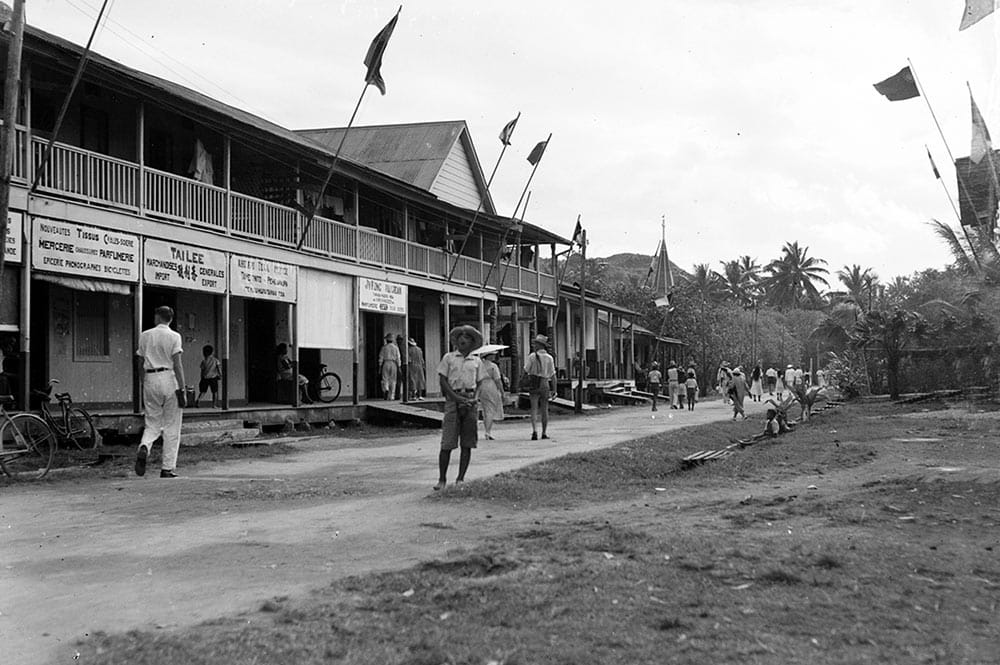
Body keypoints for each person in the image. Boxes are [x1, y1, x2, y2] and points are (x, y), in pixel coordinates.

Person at [134, 306, 186, 479]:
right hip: (169, 378)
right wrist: (182, 388)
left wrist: (144, 382)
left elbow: (140, 361)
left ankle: (145, 446)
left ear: (157, 317)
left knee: (152, 421)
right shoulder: (175, 336)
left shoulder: (145, 335)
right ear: (170, 319)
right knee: (172, 425)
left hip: (150, 378)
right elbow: (177, 364)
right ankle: (167, 468)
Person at [435, 325, 488, 490]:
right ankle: (442, 479)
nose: (462, 340)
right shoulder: (449, 358)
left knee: (468, 441)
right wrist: (455, 397)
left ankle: (460, 478)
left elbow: (480, 383)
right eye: (460, 337)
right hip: (453, 399)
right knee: (448, 441)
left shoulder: (476, 361)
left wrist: (475, 399)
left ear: (472, 342)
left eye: (466, 338)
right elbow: (443, 380)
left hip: (470, 400)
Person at [524, 334, 557, 440]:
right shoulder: (549, 358)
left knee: (533, 408)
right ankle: (544, 432)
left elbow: (526, 370)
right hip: (545, 383)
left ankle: (534, 431)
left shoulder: (532, 357)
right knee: (544, 409)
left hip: (534, 383)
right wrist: (554, 390)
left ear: (538, 345)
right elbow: (553, 375)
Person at [478, 351, 505, 439]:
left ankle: (487, 430)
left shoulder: (479, 365)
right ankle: (488, 432)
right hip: (491, 385)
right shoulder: (493, 366)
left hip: (481, 386)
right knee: (490, 409)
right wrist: (502, 391)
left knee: (486, 408)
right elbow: (497, 380)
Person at [378, 334, 400, 400]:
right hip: (393, 363)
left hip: (386, 363)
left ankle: (386, 389)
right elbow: (398, 358)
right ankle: (391, 396)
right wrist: (399, 366)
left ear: (387, 340)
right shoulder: (396, 348)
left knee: (385, 378)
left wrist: (380, 366)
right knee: (393, 380)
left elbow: (381, 357)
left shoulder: (384, 348)